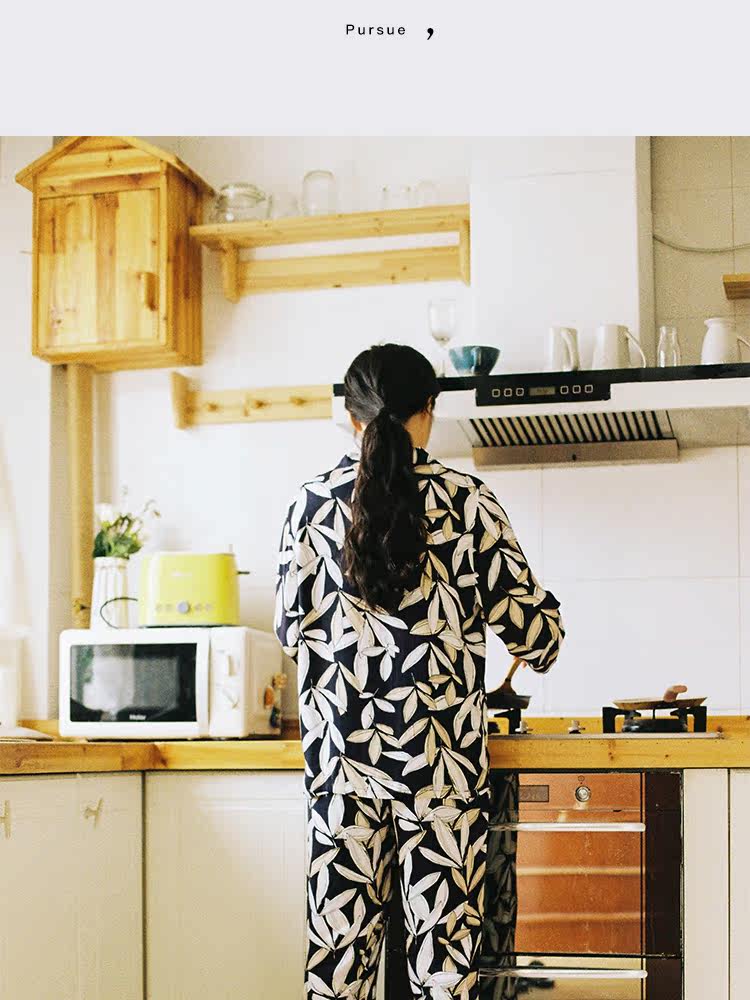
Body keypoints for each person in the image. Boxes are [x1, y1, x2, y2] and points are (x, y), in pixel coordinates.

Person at [275, 343, 564, 1000]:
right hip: (441, 769)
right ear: (429, 410)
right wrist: (542, 622)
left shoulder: (308, 505)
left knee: (340, 970)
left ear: (351, 417)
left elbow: (291, 633)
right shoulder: (469, 502)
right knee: (444, 971)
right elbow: (536, 639)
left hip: (342, 767)